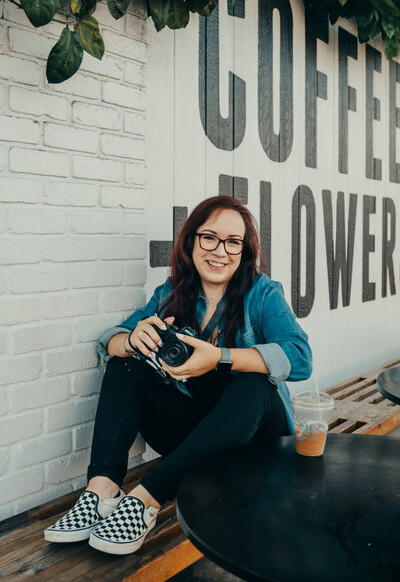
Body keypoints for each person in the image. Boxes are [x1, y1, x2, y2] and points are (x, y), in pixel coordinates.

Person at [44, 195, 312, 555]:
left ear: (244, 251)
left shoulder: (262, 293)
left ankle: (147, 499)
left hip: (256, 443)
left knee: (254, 383)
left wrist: (221, 357)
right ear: (191, 241)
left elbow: (301, 358)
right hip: (198, 442)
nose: (220, 251)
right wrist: (132, 339)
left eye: (233, 242)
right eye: (210, 237)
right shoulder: (172, 292)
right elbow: (111, 339)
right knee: (128, 362)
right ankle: (102, 488)